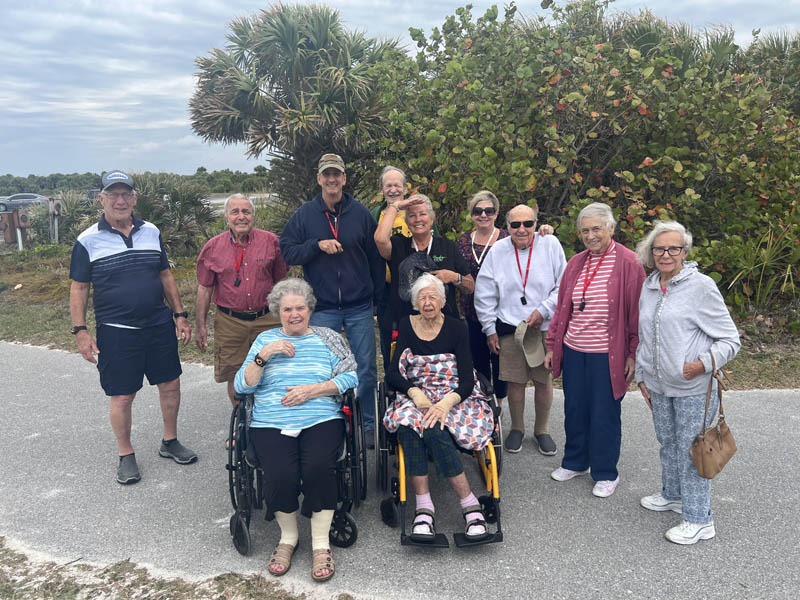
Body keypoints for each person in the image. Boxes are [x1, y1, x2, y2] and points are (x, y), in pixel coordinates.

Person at [69, 170, 197, 486]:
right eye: (113, 194)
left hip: (157, 324)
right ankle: (126, 455)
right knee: (122, 395)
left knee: (170, 384)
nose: (121, 200)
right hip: (117, 330)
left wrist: (180, 313)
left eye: (126, 193)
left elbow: (165, 275)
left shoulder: (151, 232)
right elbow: (79, 288)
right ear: (102, 199)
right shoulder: (87, 240)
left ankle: (169, 441)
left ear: (134, 198)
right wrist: (81, 331)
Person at [234, 278, 358, 581]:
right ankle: (288, 538)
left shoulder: (328, 338)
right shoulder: (264, 341)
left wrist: (313, 391)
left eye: (300, 308)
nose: (294, 314)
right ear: (278, 311)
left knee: (318, 467)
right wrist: (265, 356)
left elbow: (351, 377)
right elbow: (242, 385)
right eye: (287, 309)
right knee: (279, 474)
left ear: (309, 309)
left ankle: (320, 544)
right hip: (271, 421)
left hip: (320, 417)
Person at [634, 220, 740, 544]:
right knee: (668, 443)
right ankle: (673, 495)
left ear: (684, 252)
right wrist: (641, 376)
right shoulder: (650, 285)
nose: (666, 254)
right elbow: (645, 335)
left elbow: (731, 339)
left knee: (694, 449)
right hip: (658, 385)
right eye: (659, 248)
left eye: (673, 248)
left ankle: (699, 519)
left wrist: (701, 364)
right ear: (651, 253)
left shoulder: (701, 286)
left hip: (693, 386)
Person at [543, 202, 646, 498]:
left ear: (611, 229)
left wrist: (632, 353)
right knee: (574, 407)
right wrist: (552, 346)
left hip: (607, 354)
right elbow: (562, 309)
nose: (590, 235)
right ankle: (575, 461)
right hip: (574, 349)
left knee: (604, 412)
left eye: (596, 229)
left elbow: (637, 315)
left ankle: (605, 471)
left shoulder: (629, 263)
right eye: (585, 230)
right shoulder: (576, 262)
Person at [383, 274, 495, 542]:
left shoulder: (458, 328)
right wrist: (416, 395)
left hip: (453, 394)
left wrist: (444, 404)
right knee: (409, 428)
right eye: (422, 297)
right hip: (417, 393)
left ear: (443, 301)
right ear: (415, 302)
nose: (428, 302)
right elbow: (393, 373)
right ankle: (424, 509)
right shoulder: (406, 326)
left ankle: (470, 506)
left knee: (434, 428)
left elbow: (468, 379)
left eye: (433, 296)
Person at [280, 153, 384, 439]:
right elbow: (288, 250)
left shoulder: (361, 213)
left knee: (365, 367)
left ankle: (367, 424)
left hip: (359, 304)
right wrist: (316, 245)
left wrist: (376, 298)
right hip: (323, 306)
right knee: (324, 367)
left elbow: (375, 259)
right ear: (319, 179)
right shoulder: (305, 214)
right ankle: (332, 421)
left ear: (344, 179)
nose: (332, 179)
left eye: (336, 174)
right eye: (326, 174)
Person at [474, 203, 566, 455]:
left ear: (536, 224)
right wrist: (489, 328)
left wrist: (544, 310)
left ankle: (542, 430)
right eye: (515, 224)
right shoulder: (498, 251)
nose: (522, 229)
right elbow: (484, 292)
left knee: (542, 381)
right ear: (507, 227)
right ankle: (517, 428)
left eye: (528, 223)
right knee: (514, 382)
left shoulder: (550, 245)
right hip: (511, 327)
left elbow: (563, 285)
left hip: (543, 327)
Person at [456, 191, 555, 404]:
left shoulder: (507, 237)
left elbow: (531, 234)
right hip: (474, 313)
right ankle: (484, 407)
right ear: (471, 214)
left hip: (506, 316)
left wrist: (545, 230)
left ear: (497, 214)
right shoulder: (463, 241)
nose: (483, 214)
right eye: (478, 210)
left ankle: (500, 407)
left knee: (505, 369)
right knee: (480, 364)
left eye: (489, 210)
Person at [195, 193, 288, 406]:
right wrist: (200, 326)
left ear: (253, 215)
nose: (241, 216)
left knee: (273, 371)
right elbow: (205, 288)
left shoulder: (271, 242)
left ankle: (268, 423)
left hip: (267, 318)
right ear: (227, 217)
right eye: (235, 211)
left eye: (246, 211)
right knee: (236, 374)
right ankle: (241, 425)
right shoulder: (212, 247)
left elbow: (280, 282)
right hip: (230, 322)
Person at [374, 192, 473, 328]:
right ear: (407, 222)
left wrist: (454, 277)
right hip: (406, 326)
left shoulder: (447, 246)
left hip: (444, 327)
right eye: (412, 216)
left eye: (423, 214)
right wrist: (395, 206)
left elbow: (470, 287)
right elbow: (379, 239)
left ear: (432, 219)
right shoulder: (398, 245)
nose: (418, 219)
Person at [370, 166, 412, 370]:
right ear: (382, 189)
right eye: (389, 185)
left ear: (405, 188)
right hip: (387, 290)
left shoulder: (416, 211)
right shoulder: (374, 215)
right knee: (389, 342)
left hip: (415, 289)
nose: (393, 189)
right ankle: (391, 386)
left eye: (397, 185)